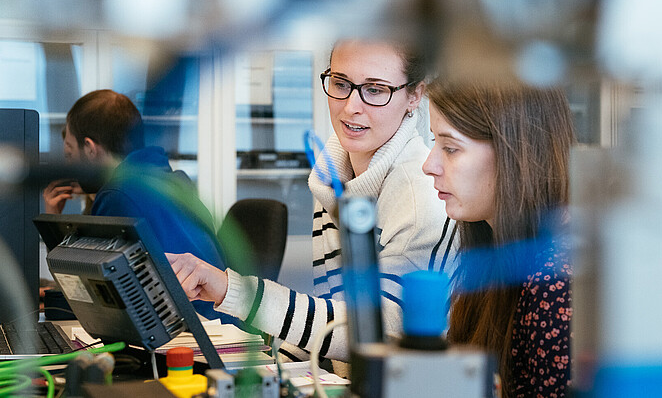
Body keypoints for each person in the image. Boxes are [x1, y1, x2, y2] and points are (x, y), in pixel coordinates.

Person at [167, 39, 457, 372]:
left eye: (375, 90)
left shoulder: (423, 194)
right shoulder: (335, 179)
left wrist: (234, 291)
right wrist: (270, 372)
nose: (351, 107)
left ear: (415, 95)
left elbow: (380, 332)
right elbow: (336, 317)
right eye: (341, 83)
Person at [422, 79, 575, 398]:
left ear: (515, 152)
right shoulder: (499, 251)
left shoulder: (555, 284)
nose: (429, 165)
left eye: (450, 148)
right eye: (435, 142)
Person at [45, 89, 232, 323]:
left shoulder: (117, 194)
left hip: (192, 340)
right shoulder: (175, 182)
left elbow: (89, 296)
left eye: (70, 154)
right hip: (229, 326)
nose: (70, 167)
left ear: (91, 149)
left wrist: (53, 224)